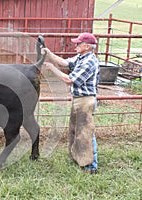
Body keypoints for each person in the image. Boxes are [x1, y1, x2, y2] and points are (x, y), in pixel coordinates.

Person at [42, 32, 99, 174]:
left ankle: (91, 165)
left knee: (85, 132)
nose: (76, 45)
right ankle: (78, 157)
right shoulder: (81, 57)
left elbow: (69, 80)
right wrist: (48, 53)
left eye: (78, 43)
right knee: (76, 129)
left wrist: (51, 68)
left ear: (86, 46)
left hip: (85, 100)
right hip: (79, 99)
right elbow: (65, 63)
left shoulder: (89, 62)